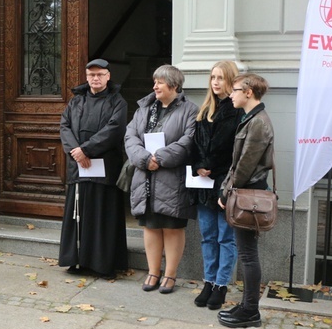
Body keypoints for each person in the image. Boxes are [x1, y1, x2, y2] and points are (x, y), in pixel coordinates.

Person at [125, 64, 198, 294]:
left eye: (160, 81)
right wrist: (145, 159)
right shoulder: (144, 108)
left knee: (173, 227)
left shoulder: (190, 110)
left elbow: (189, 141)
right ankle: (153, 272)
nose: (155, 85)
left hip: (172, 178)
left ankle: (170, 274)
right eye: (154, 81)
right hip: (145, 176)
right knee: (151, 226)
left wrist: (161, 158)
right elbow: (130, 136)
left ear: (174, 85)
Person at [58, 58, 128, 280]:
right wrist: (75, 152)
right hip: (79, 167)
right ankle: (76, 260)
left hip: (104, 168)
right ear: (86, 77)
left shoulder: (118, 102)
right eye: (91, 75)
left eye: (99, 74)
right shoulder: (76, 101)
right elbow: (64, 126)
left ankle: (103, 264)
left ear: (108, 76)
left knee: (103, 215)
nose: (95, 78)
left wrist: (87, 149)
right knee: (78, 215)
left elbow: (114, 130)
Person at [217, 73, 274, 328]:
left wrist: (228, 192)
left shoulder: (258, 122)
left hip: (248, 195)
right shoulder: (250, 119)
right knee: (246, 252)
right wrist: (225, 189)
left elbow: (245, 166)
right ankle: (247, 306)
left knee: (248, 255)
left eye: (235, 90)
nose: (231, 94)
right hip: (243, 193)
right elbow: (237, 163)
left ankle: (251, 311)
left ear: (248, 92)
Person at [190, 61, 243, 310]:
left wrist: (210, 163)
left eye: (221, 77)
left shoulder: (236, 111)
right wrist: (198, 164)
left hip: (224, 182)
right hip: (202, 182)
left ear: (231, 81)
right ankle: (208, 282)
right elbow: (194, 144)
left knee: (225, 238)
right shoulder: (204, 111)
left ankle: (221, 285)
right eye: (213, 77)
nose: (215, 82)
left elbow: (233, 149)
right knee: (207, 237)